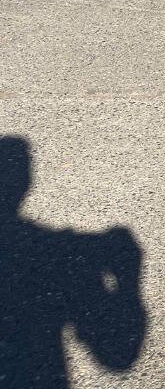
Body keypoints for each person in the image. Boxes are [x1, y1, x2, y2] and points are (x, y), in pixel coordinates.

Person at [0, 137, 147, 388]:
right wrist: (128, 276)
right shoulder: (53, 255)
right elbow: (117, 354)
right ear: (25, 182)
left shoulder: (58, 251)